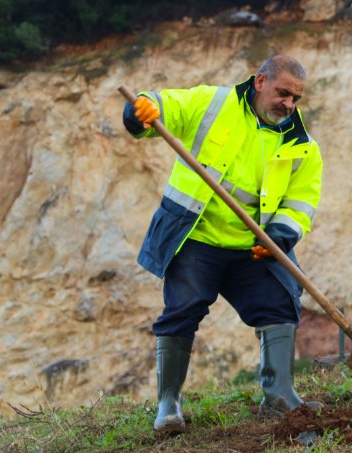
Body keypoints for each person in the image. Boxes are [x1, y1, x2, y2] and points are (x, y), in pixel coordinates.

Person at [122, 55, 323, 433]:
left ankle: (278, 396)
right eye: (282, 93)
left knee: (280, 302)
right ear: (260, 81)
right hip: (196, 235)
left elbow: (301, 202)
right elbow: (167, 108)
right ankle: (169, 405)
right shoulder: (214, 104)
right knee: (183, 308)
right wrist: (142, 110)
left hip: (253, 246)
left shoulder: (303, 146)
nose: (289, 104)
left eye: (296, 98)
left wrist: (281, 234)